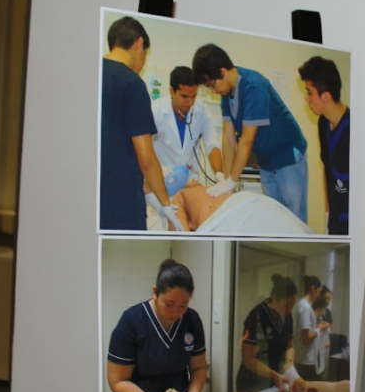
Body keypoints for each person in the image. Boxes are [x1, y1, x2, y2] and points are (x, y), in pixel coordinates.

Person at [191, 44, 309, 223]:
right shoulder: (226, 94)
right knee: (274, 219)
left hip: (288, 156)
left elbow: (246, 141)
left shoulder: (254, 86)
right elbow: (228, 138)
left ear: (222, 72)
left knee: (293, 220)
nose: (213, 91)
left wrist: (232, 181)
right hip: (267, 162)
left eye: (212, 85)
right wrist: (226, 181)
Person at [107, 259, 207, 392]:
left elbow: (199, 368)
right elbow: (117, 381)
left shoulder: (192, 320)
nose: (176, 312)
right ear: (155, 292)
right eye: (169, 304)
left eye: (183, 305)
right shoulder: (131, 321)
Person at [101, 16, 180, 231]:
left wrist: (150, 194)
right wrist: (165, 205)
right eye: (145, 53)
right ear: (139, 43)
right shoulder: (131, 83)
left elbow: (114, 153)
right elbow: (146, 160)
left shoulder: (90, 73)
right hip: (120, 205)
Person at [149, 65, 222, 197]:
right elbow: (141, 146)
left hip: (190, 182)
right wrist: (157, 168)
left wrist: (219, 174)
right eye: (184, 96)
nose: (189, 102)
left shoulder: (201, 110)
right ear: (172, 91)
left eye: (193, 96)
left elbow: (212, 142)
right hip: (163, 180)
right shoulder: (155, 111)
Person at [298, 56, 350, 234]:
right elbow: (327, 169)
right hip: (335, 220)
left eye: (309, 92)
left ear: (326, 97)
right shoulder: (323, 123)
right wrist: (328, 214)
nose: (307, 98)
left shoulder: (354, 130)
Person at [238, 274, 297, 392]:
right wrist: (273, 375)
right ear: (275, 299)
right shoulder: (257, 316)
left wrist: (289, 363)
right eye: (287, 305)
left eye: (292, 306)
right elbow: (248, 359)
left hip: (276, 380)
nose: (289, 310)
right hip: (253, 382)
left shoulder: (287, 316)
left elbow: (290, 346)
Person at [292, 274, 330, 381]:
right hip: (306, 360)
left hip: (303, 358)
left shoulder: (303, 305)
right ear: (313, 289)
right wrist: (319, 329)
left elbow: (305, 331)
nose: (319, 295)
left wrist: (318, 326)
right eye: (318, 291)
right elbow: (306, 339)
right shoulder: (305, 307)